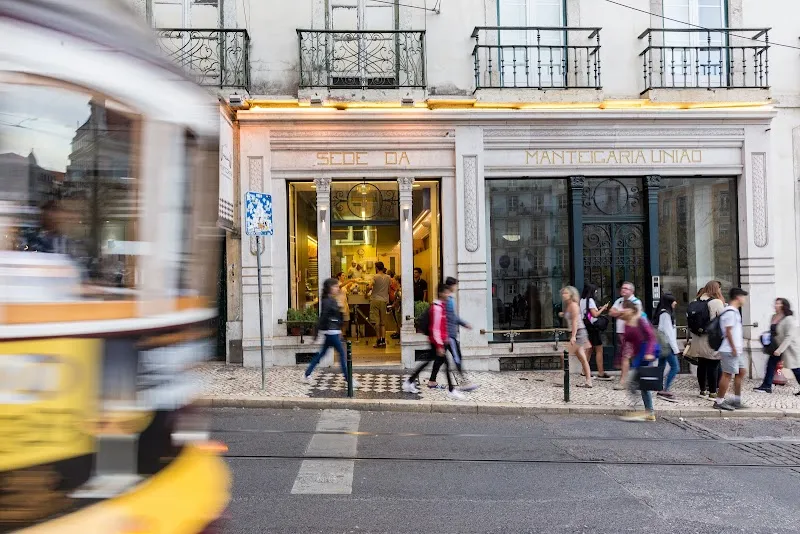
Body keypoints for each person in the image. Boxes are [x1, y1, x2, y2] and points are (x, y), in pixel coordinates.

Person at [402, 284, 466, 401]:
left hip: (440, 341)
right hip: (436, 342)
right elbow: (435, 328)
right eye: (446, 293)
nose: (448, 295)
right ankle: (451, 390)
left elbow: (441, 326)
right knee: (445, 364)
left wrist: (445, 338)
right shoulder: (436, 307)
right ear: (441, 293)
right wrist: (439, 346)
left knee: (429, 362)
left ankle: (410, 381)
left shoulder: (441, 306)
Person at [303, 278, 359, 387]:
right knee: (342, 355)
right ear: (330, 288)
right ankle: (348, 380)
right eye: (335, 286)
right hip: (332, 332)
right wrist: (317, 333)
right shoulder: (328, 301)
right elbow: (324, 317)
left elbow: (333, 317)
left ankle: (307, 374)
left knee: (322, 354)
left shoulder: (330, 300)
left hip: (332, 332)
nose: (337, 288)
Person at [428, 277, 479, 392]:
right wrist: (464, 323)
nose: (456, 287)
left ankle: (432, 381)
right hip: (449, 335)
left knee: (440, 359)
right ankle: (464, 383)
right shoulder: (449, 300)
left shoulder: (446, 300)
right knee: (457, 358)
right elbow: (451, 317)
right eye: (455, 285)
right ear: (452, 286)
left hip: (446, 335)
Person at [618, 300, 658, 422]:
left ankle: (649, 411)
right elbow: (626, 342)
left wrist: (649, 352)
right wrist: (621, 357)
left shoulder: (640, 320)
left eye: (625, 308)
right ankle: (648, 410)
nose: (623, 310)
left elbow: (651, 337)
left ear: (631, 309)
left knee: (640, 383)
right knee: (637, 383)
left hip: (646, 353)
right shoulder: (626, 323)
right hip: (638, 355)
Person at [686, 281, 725, 399]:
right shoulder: (716, 302)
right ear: (716, 289)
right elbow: (724, 320)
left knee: (701, 365)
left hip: (697, 339)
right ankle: (713, 392)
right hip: (711, 340)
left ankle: (703, 391)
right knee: (713, 364)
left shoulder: (695, 301)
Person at [713, 287, 749, 411]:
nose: (744, 300)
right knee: (727, 375)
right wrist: (734, 348)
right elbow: (728, 332)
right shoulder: (730, 312)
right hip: (729, 349)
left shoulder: (734, 311)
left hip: (735, 349)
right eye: (743, 297)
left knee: (741, 372)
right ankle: (719, 401)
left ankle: (736, 400)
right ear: (738, 297)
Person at [755, 298, 800, 394]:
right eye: (775, 303)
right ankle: (766, 386)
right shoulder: (774, 316)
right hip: (775, 346)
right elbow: (773, 331)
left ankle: (766, 386)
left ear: (784, 305)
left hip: (788, 348)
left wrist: (780, 350)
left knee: (795, 368)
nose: (776, 305)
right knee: (770, 365)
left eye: (778, 303)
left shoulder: (789, 319)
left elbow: (789, 336)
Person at [609, 281, 643, 389]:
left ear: (632, 291)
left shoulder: (636, 302)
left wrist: (619, 313)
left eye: (626, 288)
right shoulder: (619, 301)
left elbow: (635, 316)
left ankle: (623, 381)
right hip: (621, 332)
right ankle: (634, 378)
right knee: (629, 356)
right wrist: (624, 313)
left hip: (632, 333)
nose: (623, 290)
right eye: (622, 288)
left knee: (626, 356)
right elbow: (611, 312)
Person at [562, 285, 593, 388]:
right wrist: (562, 314)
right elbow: (570, 317)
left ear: (571, 294)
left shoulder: (574, 305)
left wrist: (573, 336)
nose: (563, 295)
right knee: (582, 358)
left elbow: (575, 322)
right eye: (563, 293)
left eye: (566, 293)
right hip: (578, 332)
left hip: (579, 333)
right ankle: (588, 381)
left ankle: (564, 378)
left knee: (564, 355)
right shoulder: (569, 305)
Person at [580, 284, 612, 380]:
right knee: (599, 349)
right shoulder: (590, 300)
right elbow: (594, 314)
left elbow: (587, 313)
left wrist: (598, 308)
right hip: (593, 327)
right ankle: (601, 372)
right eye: (595, 291)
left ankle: (583, 371)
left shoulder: (582, 300)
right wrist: (603, 308)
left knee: (589, 349)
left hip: (586, 325)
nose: (596, 293)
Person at [652, 293, 680, 402]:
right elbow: (668, 333)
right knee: (675, 367)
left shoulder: (662, 313)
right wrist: (675, 348)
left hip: (662, 344)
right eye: (674, 301)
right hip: (667, 345)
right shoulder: (666, 314)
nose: (675, 303)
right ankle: (665, 389)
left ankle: (659, 387)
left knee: (661, 365)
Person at [368, 261, 392, 348]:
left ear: (377, 268)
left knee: (377, 322)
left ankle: (378, 340)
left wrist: (367, 291)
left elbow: (370, 287)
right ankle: (383, 341)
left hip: (375, 300)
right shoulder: (388, 277)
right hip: (384, 300)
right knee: (383, 322)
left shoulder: (375, 276)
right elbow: (389, 290)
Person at [335, 272, 350, 338]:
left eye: (345, 275)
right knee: (340, 320)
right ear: (339, 277)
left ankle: (344, 333)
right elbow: (340, 286)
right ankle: (340, 334)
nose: (344, 277)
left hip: (345, 304)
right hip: (339, 305)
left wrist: (350, 285)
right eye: (343, 275)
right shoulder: (337, 283)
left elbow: (346, 290)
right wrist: (350, 280)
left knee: (345, 320)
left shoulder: (344, 285)